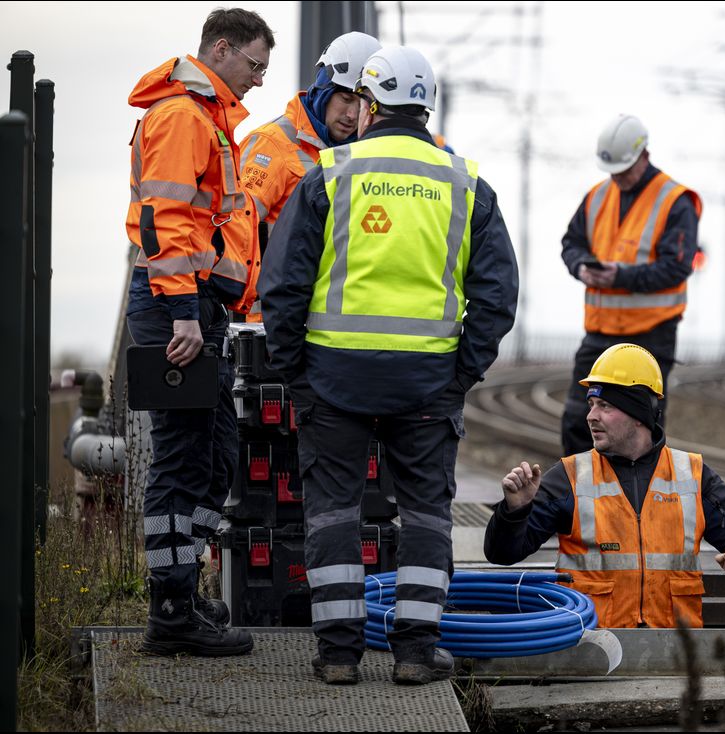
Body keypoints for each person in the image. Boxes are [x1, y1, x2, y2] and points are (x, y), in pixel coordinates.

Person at [259, 45, 518, 685]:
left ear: (370, 105)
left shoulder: (329, 174)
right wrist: (462, 372)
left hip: (335, 379)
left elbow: (282, 285)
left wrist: (297, 371)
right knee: (427, 515)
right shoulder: (464, 184)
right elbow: (497, 295)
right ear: (426, 108)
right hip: (428, 384)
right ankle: (414, 653)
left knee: (332, 515)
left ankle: (340, 655)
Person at [125, 7, 275, 657]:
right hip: (173, 308)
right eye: (255, 64)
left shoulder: (208, 121)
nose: (260, 81)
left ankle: (186, 591)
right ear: (221, 48)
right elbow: (164, 220)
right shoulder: (184, 118)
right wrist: (184, 310)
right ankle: (171, 610)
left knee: (215, 455)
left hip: (198, 309)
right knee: (183, 459)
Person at [485, 343, 725, 628]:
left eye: (605, 406)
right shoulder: (570, 476)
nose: (591, 416)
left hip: (675, 655)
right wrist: (515, 511)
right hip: (591, 650)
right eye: (591, 404)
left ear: (638, 414)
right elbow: (502, 553)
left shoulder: (692, 475)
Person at [558, 114, 702, 455]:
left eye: (625, 169)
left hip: (651, 333)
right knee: (580, 419)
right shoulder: (596, 197)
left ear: (644, 156)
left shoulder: (674, 201)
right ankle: (579, 499)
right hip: (601, 333)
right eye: (613, 171)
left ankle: (639, 500)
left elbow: (676, 266)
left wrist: (619, 277)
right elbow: (571, 243)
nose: (618, 178)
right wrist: (581, 267)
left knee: (641, 428)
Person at [238, 32, 381, 281]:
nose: (351, 114)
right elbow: (237, 229)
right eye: (345, 99)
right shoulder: (272, 144)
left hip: (323, 310)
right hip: (265, 311)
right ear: (323, 91)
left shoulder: (363, 156)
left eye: (361, 105)